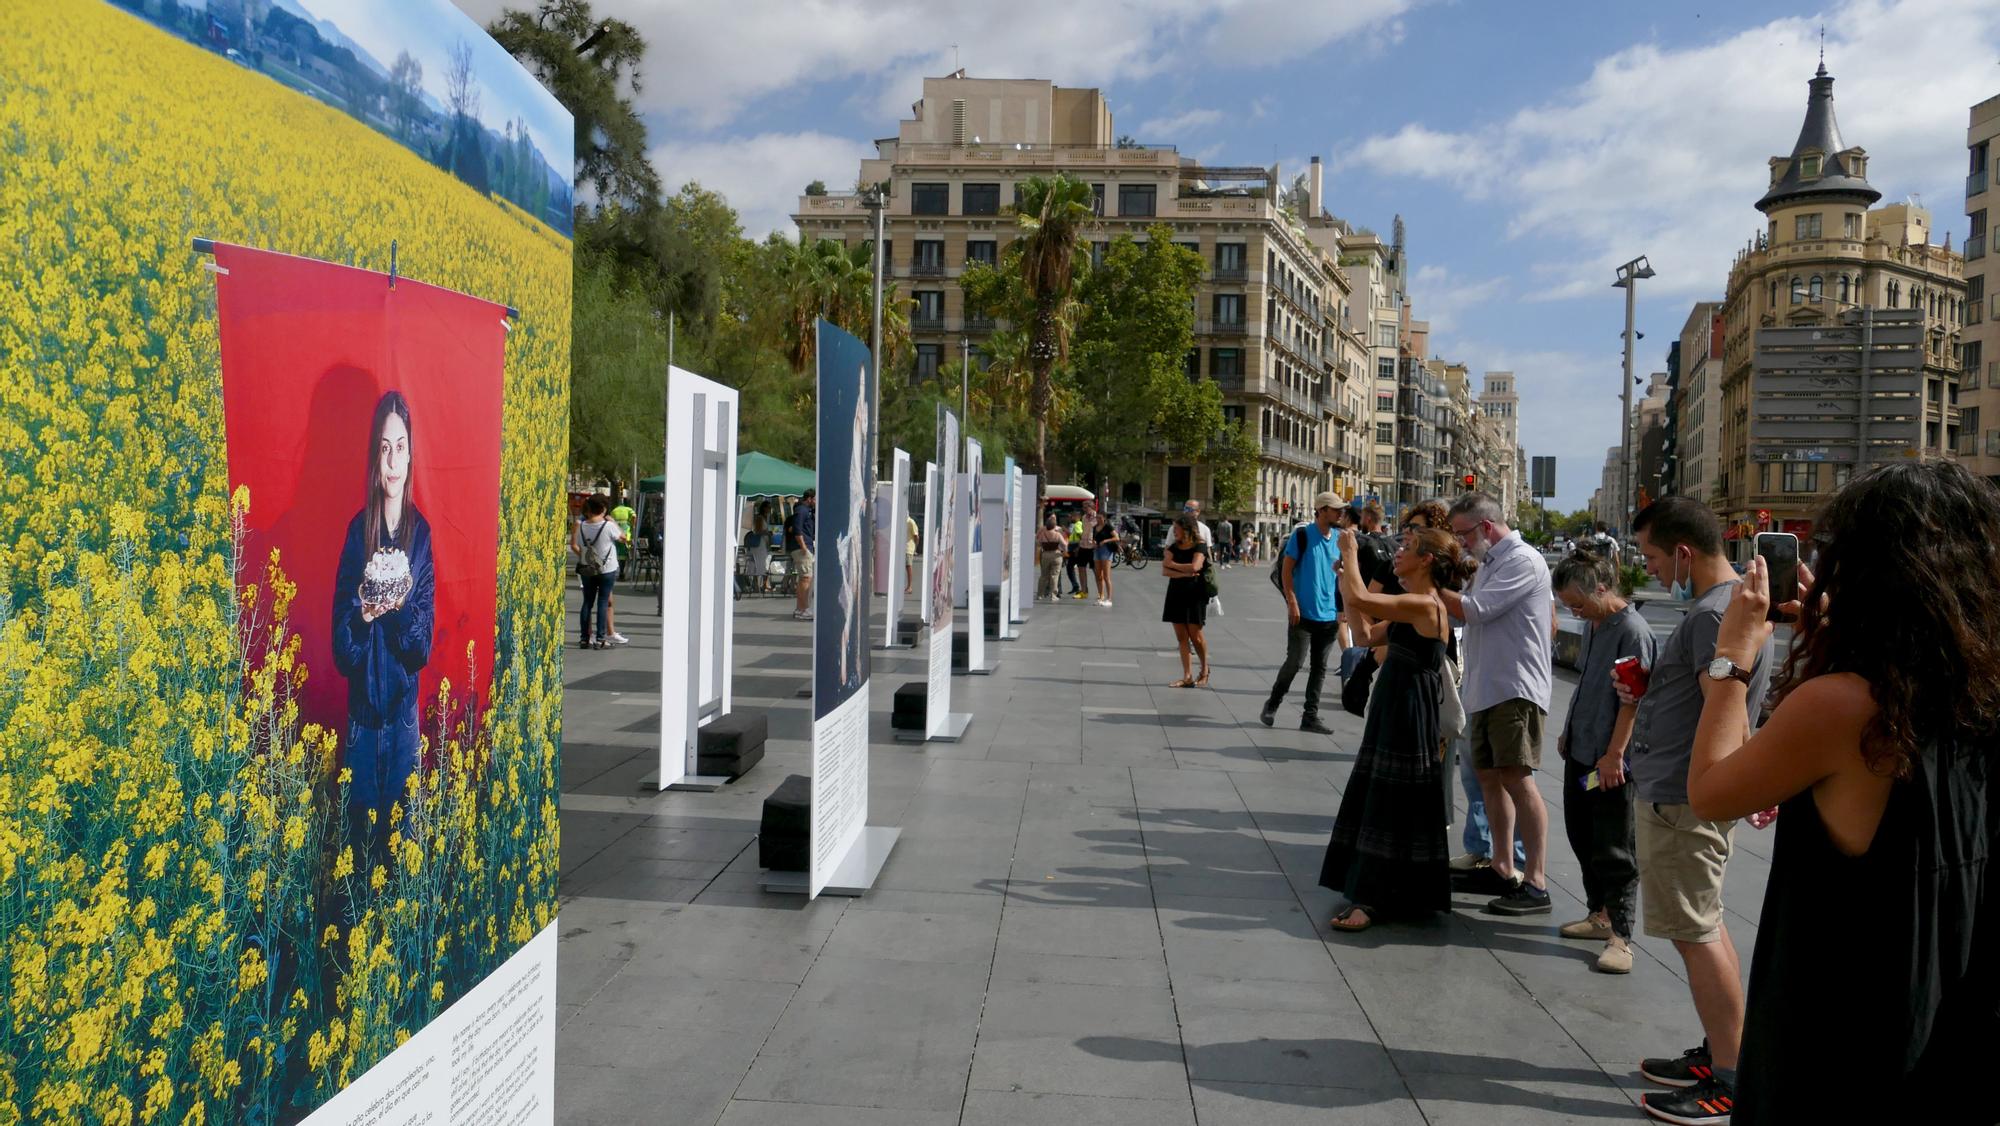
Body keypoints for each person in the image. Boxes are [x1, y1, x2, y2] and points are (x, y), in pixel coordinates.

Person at [1680, 463, 1998, 1122]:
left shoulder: (1845, 704)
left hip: (1841, 1025)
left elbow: (1710, 793)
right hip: (1945, 1019)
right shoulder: (1974, 690)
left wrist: (1731, 661)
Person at [1615, 496, 1774, 1126]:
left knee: (1695, 932)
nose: (1649, 568)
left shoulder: (1716, 615)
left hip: (1684, 798)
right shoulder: (1723, 610)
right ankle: (1724, 1050)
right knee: (1703, 926)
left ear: (1684, 551)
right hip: (1684, 791)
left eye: (1652, 556)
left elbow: (1723, 701)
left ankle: (1733, 1078)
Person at [1319, 522, 1476, 931]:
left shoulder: (1426, 605)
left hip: (1409, 709)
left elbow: (1360, 595)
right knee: (1389, 796)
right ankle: (1392, 892)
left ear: (1426, 560)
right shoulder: (1414, 602)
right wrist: (1344, 576)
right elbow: (1365, 633)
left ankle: (1371, 898)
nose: (1396, 554)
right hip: (1396, 705)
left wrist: (1351, 554)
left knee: (1389, 798)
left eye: (1406, 548)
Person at [1441, 492, 1554, 917]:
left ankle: (1536, 881)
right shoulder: (1488, 563)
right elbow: (1458, 615)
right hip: (1486, 688)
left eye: (1464, 534)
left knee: (1518, 779)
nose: (1462, 543)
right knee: (1490, 778)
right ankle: (1501, 865)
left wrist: (1433, 585)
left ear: (1486, 527)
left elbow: (1476, 611)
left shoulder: (1523, 560)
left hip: (1515, 690)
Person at [334, 391, 435, 859]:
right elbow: (343, 655)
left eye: (401, 446)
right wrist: (361, 613)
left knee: (400, 851)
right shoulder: (358, 533)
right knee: (358, 856)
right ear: (375, 456)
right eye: (384, 447)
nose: (393, 460)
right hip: (361, 724)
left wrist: (396, 610)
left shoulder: (422, 537)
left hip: (402, 723)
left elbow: (421, 651)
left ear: (411, 454)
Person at [1552, 547, 1652, 975]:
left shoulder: (1632, 630)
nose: (1575, 612)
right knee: (1581, 832)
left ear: (1603, 588)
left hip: (1610, 763)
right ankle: (1600, 914)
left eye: (1578, 603)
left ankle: (1622, 936)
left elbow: (1633, 702)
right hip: (1583, 752)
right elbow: (1589, 684)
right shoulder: (1596, 626)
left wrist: (1615, 755)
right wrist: (1569, 730)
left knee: (1614, 844)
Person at [1262, 493, 1344, 735]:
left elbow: (1341, 573)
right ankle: (1273, 703)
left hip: (1329, 615)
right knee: (1295, 662)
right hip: (1303, 614)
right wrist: (1292, 602)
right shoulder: (1302, 535)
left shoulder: (1339, 538)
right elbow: (1286, 571)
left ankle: (1310, 716)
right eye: (1335, 509)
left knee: (1320, 668)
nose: (1340, 513)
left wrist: (1342, 607)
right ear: (1321, 510)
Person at [1160, 513, 1210, 687]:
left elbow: (1196, 566)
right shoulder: (1174, 547)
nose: (1174, 532)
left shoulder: (1200, 546)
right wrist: (1185, 573)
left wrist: (1173, 566)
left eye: (1177, 529)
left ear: (1187, 530)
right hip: (1176, 593)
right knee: (1181, 637)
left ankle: (1204, 669)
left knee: (1195, 635)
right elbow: (1164, 571)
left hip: (1195, 594)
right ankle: (1187, 676)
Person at [573, 494, 623, 649]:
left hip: (587, 566)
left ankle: (584, 638)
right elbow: (623, 538)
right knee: (602, 602)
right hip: (607, 568)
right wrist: (614, 522)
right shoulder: (608, 526)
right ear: (603, 508)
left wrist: (586, 557)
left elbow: (575, 545)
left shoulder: (581, 526)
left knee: (587, 602)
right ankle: (601, 639)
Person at [788, 489, 816, 621]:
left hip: (803, 548)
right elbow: (797, 529)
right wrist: (804, 547)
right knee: (806, 578)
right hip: (802, 549)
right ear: (809, 499)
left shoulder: (806, 510)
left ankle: (800, 609)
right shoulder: (802, 510)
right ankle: (804, 609)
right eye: (815, 499)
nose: (816, 502)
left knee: (804, 578)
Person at [1036, 513, 1066, 602]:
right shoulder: (1058, 534)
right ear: (1054, 526)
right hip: (1056, 554)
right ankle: (1053, 595)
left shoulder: (1043, 533)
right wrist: (1064, 552)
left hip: (1045, 554)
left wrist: (1043, 545)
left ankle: (1040, 594)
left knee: (1043, 575)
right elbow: (1064, 544)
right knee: (1055, 575)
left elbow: (1038, 542)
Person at [1091, 511, 1118, 607]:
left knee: (1106, 576)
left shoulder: (1108, 526)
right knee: (1098, 575)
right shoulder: (1095, 527)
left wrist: (1105, 540)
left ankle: (1109, 599)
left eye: (1100, 517)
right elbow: (1094, 538)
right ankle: (1100, 596)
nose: (1098, 519)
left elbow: (1116, 538)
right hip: (1097, 550)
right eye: (1097, 517)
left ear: (1104, 518)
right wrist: (1094, 542)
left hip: (1106, 550)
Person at [748, 501, 774, 594]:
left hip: (763, 544)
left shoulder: (764, 518)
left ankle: (762, 584)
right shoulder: (759, 518)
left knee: (761, 564)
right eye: (769, 508)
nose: (770, 510)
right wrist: (767, 532)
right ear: (764, 508)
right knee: (759, 564)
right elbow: (757, 531)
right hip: (759, 545)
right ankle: (758, 585)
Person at [1067, 512, 1092, 599]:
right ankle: (1081, 588)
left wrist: (1078, 547)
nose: (1071, 517)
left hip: (1075, 548)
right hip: (1075, 547)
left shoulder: (1078, 524)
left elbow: (1080, 535)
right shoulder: (1078, 524)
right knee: (1076, 567)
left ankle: (1078, 587)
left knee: (1073, 567)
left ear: (1077, 517)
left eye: (1072, 516)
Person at [904, 511, 919, 595]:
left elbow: (916, 536)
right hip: (902, 548)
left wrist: (915, 547)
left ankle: (909, 587)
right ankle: (906, 586)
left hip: (908, 548)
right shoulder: (902, 521)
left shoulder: (911, 522)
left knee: (908, 567)